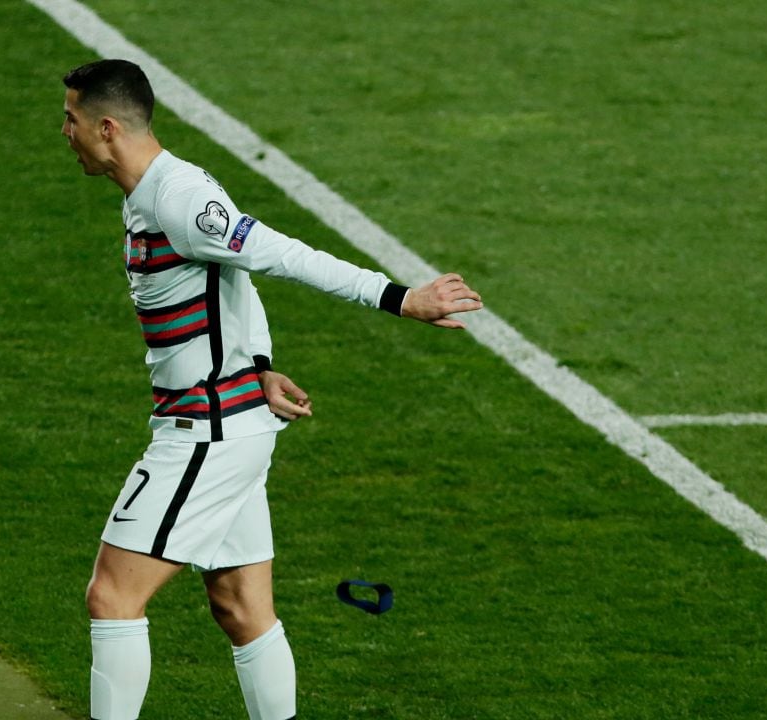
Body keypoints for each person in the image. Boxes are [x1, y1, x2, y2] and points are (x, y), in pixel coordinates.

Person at [60, 58, 483, 720]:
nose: (65, 132)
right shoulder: (155, 193)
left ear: (106, 127)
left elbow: (279, 254)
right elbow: (236, 277)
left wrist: (400, 298)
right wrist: (258, 361)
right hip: (235, 422)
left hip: (208, 432)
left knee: (112, 597)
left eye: (71, 119)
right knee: (241, 607)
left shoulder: (178, 199)